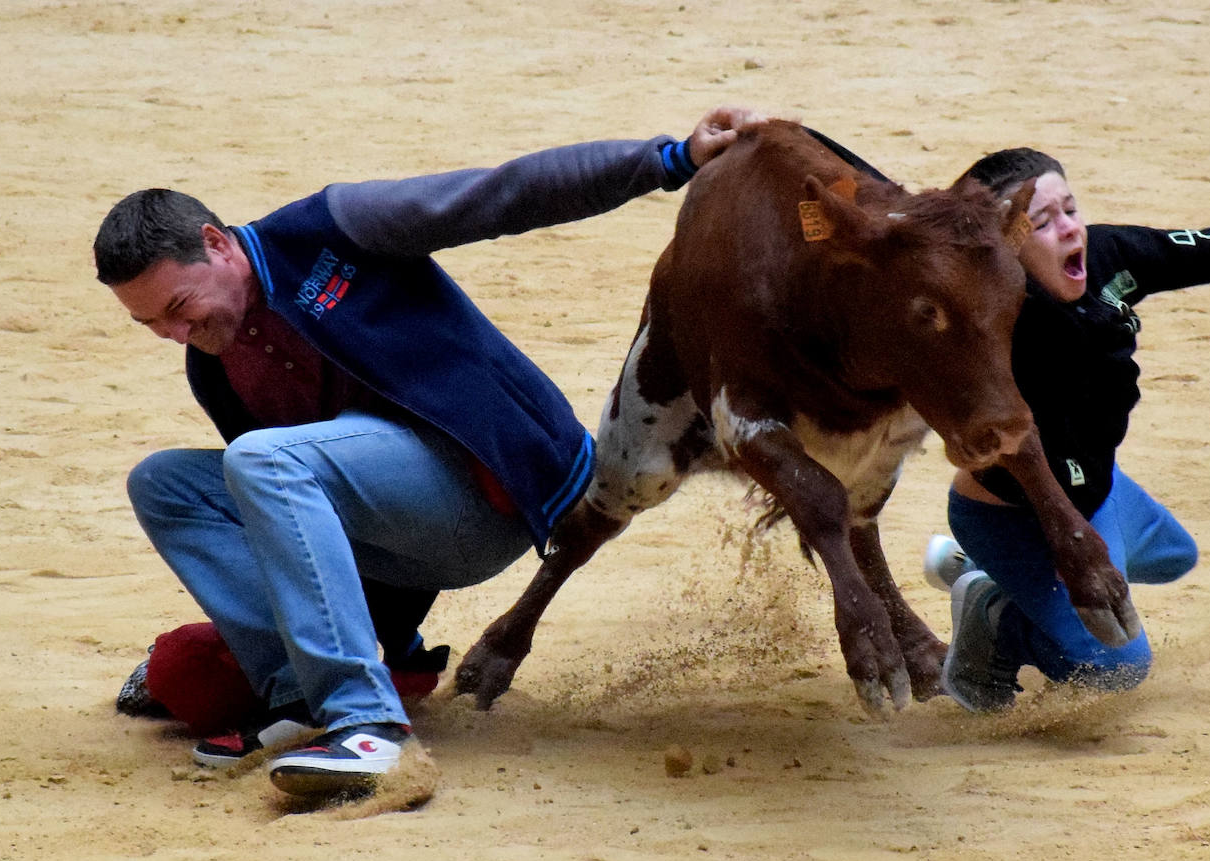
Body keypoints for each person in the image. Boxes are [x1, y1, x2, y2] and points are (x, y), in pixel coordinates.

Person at [94, 106, 762, 797]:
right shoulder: (213, 364)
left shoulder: (330, 228)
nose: (174, 333)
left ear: (218, 243)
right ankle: (296, 697)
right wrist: (396, 640)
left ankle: (367, 725)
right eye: (150, 324)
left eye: (178, 306)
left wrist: (666, 160)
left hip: (497, 490)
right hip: (406, 527)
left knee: (264, 460)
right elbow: (304, 523)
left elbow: (500, 193)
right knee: (163, 483)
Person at [922, 147, 1210, 712]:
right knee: (1113, 668)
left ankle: (990, 578)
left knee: (1175, 555)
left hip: (1101, 491)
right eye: (1042, 221)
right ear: (1004, 244)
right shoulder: (993, 320)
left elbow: (1179, 252)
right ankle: (995, 613)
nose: (1068, 229)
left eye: (1070, 209)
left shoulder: (1105, 252)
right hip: (1017, 516)